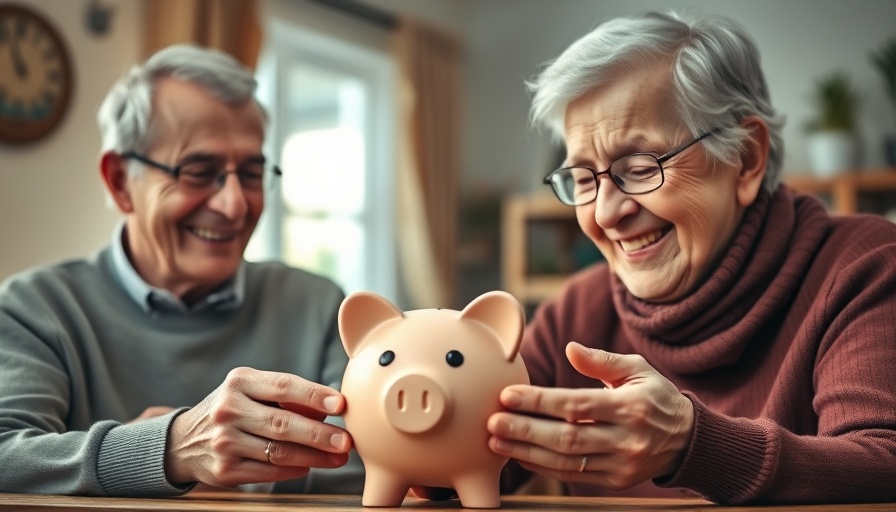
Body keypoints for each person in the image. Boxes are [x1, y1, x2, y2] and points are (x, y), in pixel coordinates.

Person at [488, 10, 896, 505]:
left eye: (640, 167)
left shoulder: (864, 268)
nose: (606, 214)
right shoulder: (573, 316)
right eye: (582, 179)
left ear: (745, 159)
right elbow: (468, 457)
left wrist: (693, 446)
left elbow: (885, 463)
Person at [0, 44, 363, 496]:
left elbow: (377, 458)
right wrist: (170, 450)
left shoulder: (319, 305)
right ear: (120, 182)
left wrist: (213, 469)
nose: (235, 205)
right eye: (198, 171)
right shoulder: (34, 309)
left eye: (251, 174)